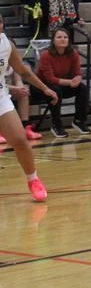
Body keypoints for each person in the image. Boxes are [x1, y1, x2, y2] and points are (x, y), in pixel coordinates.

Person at [0, 16, 58, 201]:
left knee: (20, 140)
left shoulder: (6, 44)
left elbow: (24, 71)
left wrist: (44, 88)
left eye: (0, 21)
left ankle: (33, 180)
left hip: (0, 97)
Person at [34, 28, 91, 138]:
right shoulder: (46, 55)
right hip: (40, 87)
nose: (62, 40)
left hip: (59, 85)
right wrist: (70, 82)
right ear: (53, 40)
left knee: (82, 88)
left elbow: (78, 72)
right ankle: (57, 125)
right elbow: (50, 79)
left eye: (65, 37)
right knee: (56, 90)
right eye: (59, 37)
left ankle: (79, 120)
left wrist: (77, 80)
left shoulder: (73, 54)